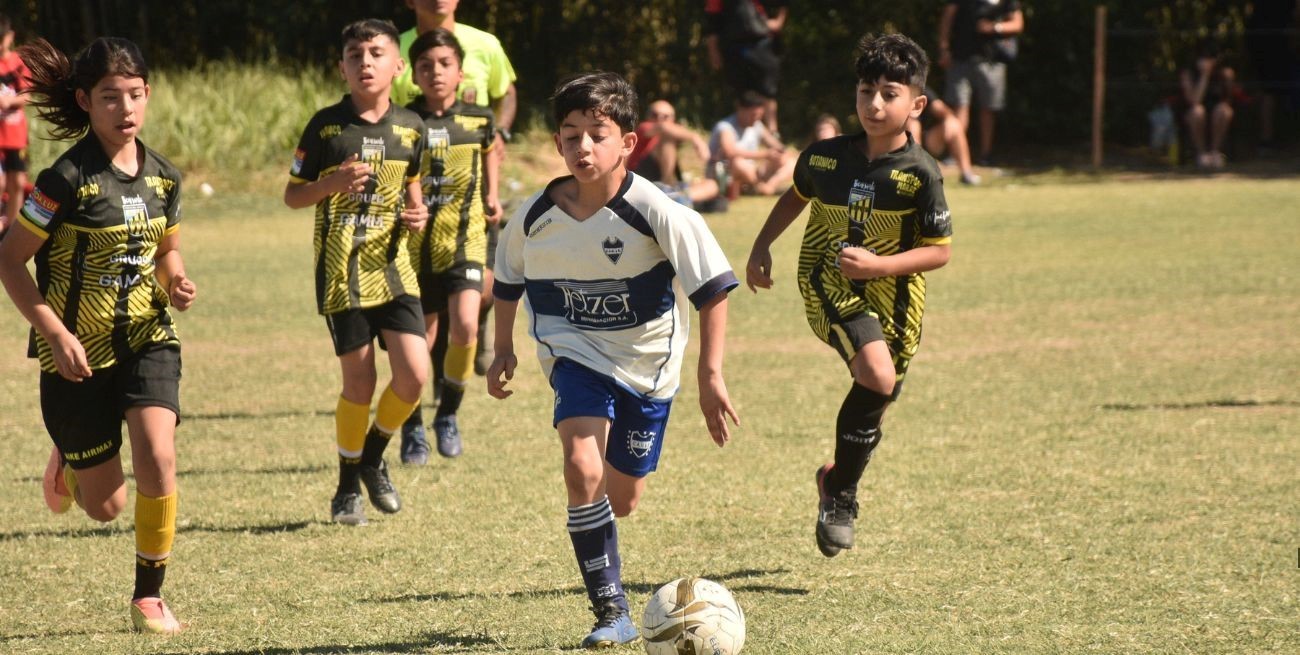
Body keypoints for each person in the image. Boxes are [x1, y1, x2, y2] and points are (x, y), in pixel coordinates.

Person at [486, 72, 739, 648]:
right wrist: (502, 348)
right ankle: (610, 610)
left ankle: (605, 546)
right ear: (557, 142)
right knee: (581, 467)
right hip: (573, 353)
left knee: (621, 500)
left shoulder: (659, 211)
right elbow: (508, 281)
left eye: (597, 135)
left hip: (648, 367)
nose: (583, 147)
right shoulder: (533, 217)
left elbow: (712, 291)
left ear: (627, 143)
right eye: (571, 134)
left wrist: (710, 375)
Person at [0, 36, 196, 635]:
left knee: (158, 456)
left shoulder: (163, 177)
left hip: (146, 335)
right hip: (76, 354)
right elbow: (9, 259)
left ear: (148, 94)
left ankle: (149, 596)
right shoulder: (64, 179)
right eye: (110, 97)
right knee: (106, 507)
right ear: (85, 101)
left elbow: (167, 250)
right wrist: (55, 333)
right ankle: (69, 462)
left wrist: (176, 278)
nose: (125, 109)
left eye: (135, 95)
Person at [745, 33, 952, 559]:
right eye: (865, 91)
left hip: (898, 297)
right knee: (877, 377)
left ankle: (833, 479)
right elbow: (795, 198)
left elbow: (939, 252)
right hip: (828, 278)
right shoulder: (824, 159)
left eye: (889, 94)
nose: (874, 104)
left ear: (916, 105)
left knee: (879, 399)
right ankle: (841, 498)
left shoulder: (921, 173)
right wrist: (762, 245)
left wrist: (881, 266)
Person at [283, 19, 430, 526]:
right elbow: (292, 195)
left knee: (414, 376)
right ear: (342, 67)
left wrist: (417, 215)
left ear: (398, 65)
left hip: (393, 268)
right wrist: (332, 183)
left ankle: (371, 457)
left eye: (375, 53)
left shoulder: (411, 127)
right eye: (354, 55)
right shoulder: (326, 127)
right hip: (341, 270)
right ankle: (347, 488)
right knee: (360, 384)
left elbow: (413, 193)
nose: (365, 62)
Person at [392, 0, 518, 451]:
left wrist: (492, 196)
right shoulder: (403, 121)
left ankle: (447, 415)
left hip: (464, 237)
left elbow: (491, 157)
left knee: (465, 324)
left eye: (445, 64)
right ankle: (410, 424)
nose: (436, 73)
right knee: (421, 340)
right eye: (426, 66)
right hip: (414, 245)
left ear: (460, 72)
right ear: (412, 73)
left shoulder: (479, 119)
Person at [938, 0, 1024, 165]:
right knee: (959, 106)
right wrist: (944, 48)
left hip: (992, 61)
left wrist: (994, 27)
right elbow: (947, 18)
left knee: (988, 108)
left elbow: (1017, 23)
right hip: (960, 58)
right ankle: (956, 154)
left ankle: (986, 155)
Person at [704, 0, 788, 135]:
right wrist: (713, 51)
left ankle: (772, 132)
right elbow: (712, 23)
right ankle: (740, 132)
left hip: (761, 44)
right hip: (733, 47)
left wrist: (777, 22)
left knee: (768, 91)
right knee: (739, 92)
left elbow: (781, 5)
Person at [627, 99, 720, 207]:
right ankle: (670, 194)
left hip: (670, 187)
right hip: (644, 182)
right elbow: (663, 128)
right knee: (667, 139)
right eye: (654, 115)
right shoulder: (643, 128)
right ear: (648, 116)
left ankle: (677, 198)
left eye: (665, 116)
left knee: (712, 185)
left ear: (673, 119)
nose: (659, 119)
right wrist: (695, 138)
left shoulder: (675, 135)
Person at [708, 90, 795, 196]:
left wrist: (781, 153)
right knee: (738, 162)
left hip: (753, 171)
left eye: (760, 115)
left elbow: (776, 145)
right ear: (741, 110)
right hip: (728, 173)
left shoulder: (757, 125)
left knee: (790, 161)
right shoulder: (725, 127)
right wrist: (765, 154)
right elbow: (729, 152)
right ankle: (758, 186)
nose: (756, 118)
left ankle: (769, 186)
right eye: (753, 115)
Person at [1179, 42, 1237, 169]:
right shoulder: (1188, 74)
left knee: (1223, 110)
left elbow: (1228, 100)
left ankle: (1215, 152)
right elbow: (1194, 101)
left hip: (1217, 113)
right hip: (1194, 114)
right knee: (1197, 111)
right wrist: (1204, 76)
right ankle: (1202, 153)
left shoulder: (1225, 73)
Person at [907, 88, 981, 185]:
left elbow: (942, 110)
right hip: (901, 139)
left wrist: (948, 119)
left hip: (929, 140)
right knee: (913, 124)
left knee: (954, 124)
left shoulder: (922, 91)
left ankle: (966, 174)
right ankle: (915, 171)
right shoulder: (896, 93)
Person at [0, 13, 30, 237]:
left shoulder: (17, 63)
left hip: (16, 136)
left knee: (18, 183)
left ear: (10, 37)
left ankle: (12, 232)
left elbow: (28, 95)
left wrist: (9, 102)